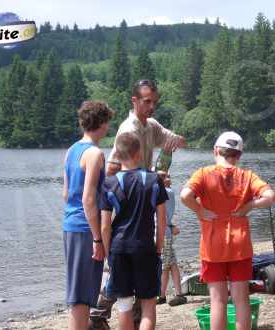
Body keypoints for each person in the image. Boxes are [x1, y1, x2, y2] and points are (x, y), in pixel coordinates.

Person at [89, 79, 185, 330]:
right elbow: (111, 168)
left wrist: (162, 164)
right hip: (130, 204)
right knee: (131, 281)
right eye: (147, 102)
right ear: (135, 101)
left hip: (139, 202)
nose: (152, 106)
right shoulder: (128, 129)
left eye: (154, 101)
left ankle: (104, 314)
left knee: (124, 276)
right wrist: (143, 181)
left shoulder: (150, 125)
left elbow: (170, 140)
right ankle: (99, 313)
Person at [180, 132, 275, 330]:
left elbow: (184, 195)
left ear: (216, 151)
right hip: (240, 246)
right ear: (238, 155)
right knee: (241, 300)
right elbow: (270, 196)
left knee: (218, 301)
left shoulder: (204, 173)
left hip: (213, 246)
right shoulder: (247, 176)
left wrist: (200, 210)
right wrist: (250, 205)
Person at [100, 132, 168, 330]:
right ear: (139, 153)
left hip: (119, 248)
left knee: (124, 305)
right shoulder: (154, 180)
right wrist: (159, 245)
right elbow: (161, 218)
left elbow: (105, 225)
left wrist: (107, 252)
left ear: (117, 156)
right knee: (148, 304)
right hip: (145, 246)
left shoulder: (109, 183)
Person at [62, 101, 114, 330]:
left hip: (70, 225)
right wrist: (97, 238)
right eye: (107, 123)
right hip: (85, 229)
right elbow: (89, 198)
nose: (108, 128)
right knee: (81, 296)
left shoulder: (71, 150)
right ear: (101, 123)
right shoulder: (94, 153)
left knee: (81, 293)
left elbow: (66, 194)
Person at [156, 172, 187, 306]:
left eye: (167, 176)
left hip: (163, 234)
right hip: (166, 231)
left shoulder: (165, 192)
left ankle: (161, 296)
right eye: (164, 177)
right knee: (172, 264)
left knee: (164, 266)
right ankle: (179, 294)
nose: (167, 179)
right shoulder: (167, 192)